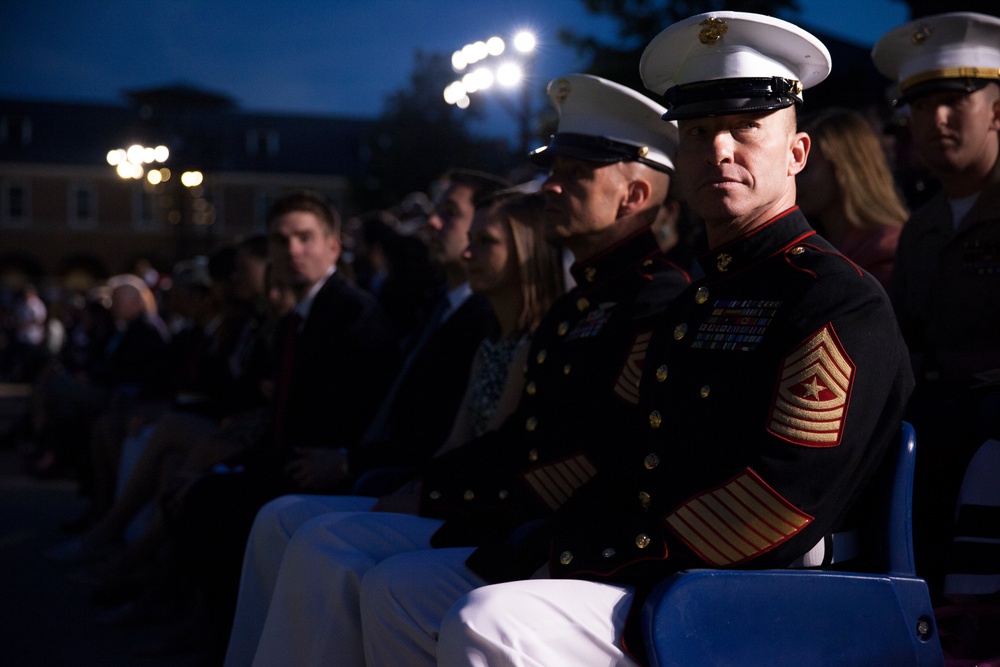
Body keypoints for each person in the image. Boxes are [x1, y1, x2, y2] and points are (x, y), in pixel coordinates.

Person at [353, 12, 914, 666]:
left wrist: (591, 556)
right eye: (699, 133)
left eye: (745, 130)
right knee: (400, 588)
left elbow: (777, 500)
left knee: (494, 620)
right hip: (663, 565)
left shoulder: (834, 298)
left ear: (796, 153)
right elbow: (634, 460)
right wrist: (549, 542)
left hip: (750, 587)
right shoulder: (699, 298)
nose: (720, 150)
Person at [235, 72, 692, 667]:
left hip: (554, 527)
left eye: (573, 175)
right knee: (337, 551)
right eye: (553, 171)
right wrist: (428, 487)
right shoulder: (581, 304)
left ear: (633, 198)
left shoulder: (656, 301)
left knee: (356, 559)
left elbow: (596, 453)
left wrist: (439, 492)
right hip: (518, 512)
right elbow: (519, 437)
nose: (550, 188)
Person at [872, 11, 1000, 601]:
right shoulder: (921, 226)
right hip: (930, 436)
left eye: (954, 100)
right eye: (920, 106)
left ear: (996, 110)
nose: (934, 120)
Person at [796, 107, 908, 287]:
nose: (791, 179)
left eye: (804, 168)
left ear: (844, 170)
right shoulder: (808, 247)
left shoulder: (886, 251)